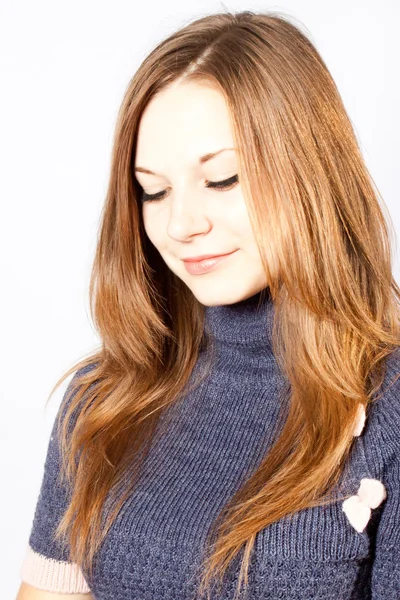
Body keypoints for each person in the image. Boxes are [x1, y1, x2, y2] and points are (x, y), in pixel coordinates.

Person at [16, 9, 400, 600]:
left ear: (309, 174)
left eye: (221, 179)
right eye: (153, 190)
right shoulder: (104, 399)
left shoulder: (387, 406)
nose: (179, 223)